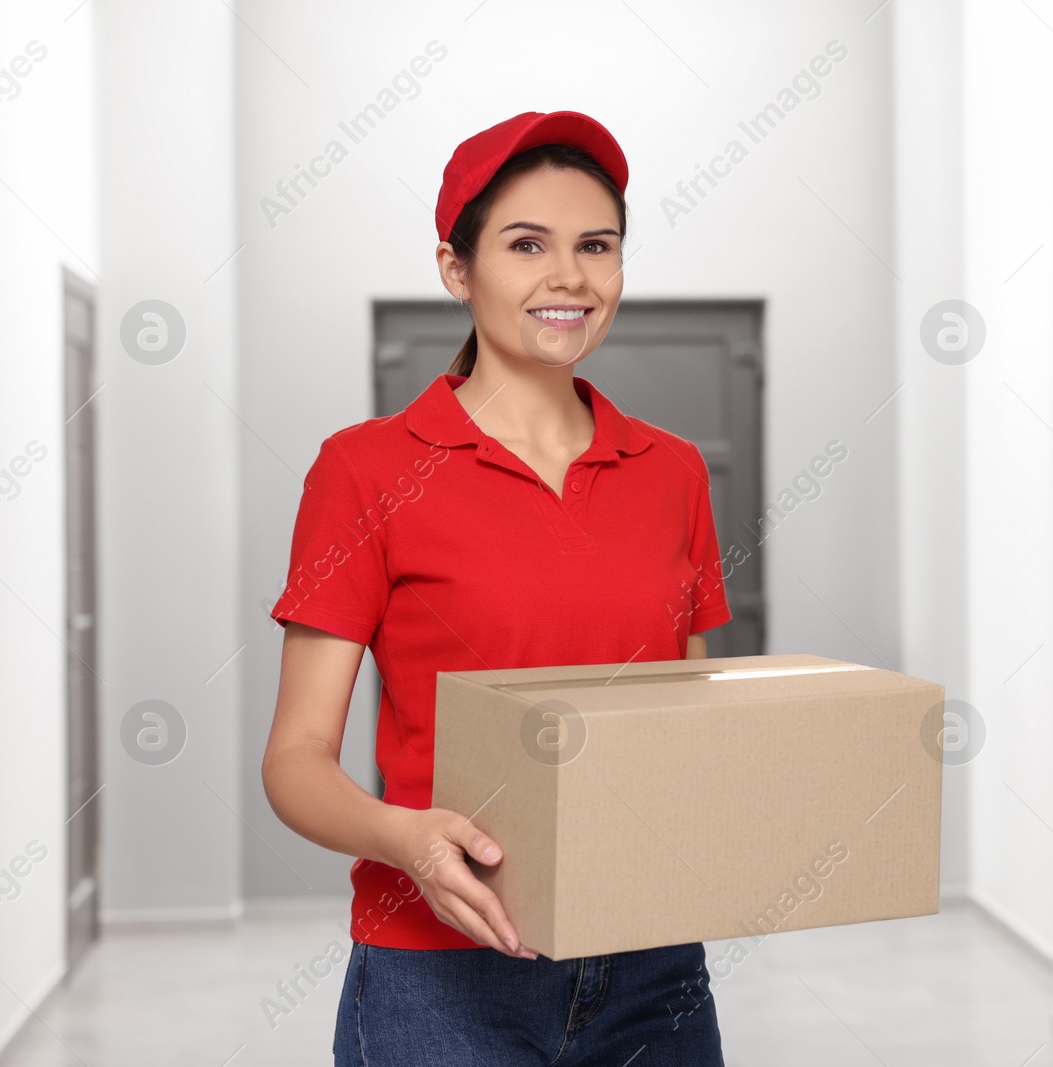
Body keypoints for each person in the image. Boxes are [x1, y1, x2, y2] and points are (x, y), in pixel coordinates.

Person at [261, 110, 732, 1066]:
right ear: (456, 269)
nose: (570, 277)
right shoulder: (365, 470)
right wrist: (409, 839)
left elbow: (691, 730)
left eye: (596, 246)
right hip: (440, 975)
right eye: (528, 245)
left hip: (652, 968)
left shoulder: (672, 470)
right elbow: (296, 761)